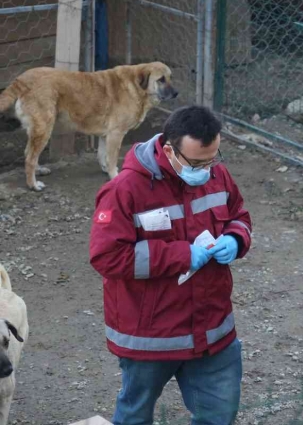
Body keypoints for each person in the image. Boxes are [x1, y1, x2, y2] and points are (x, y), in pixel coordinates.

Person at [89, 105, 252, 425]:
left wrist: (235, 239)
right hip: (150, 336)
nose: (207, 170)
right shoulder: (124, 190)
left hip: (212, 330)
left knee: (220, 414)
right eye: (197, 163)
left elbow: (239, 216)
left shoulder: (216, 174)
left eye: (213, 159)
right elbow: (106, 256)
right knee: (135, 416)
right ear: (169, 150)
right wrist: (181, 256)